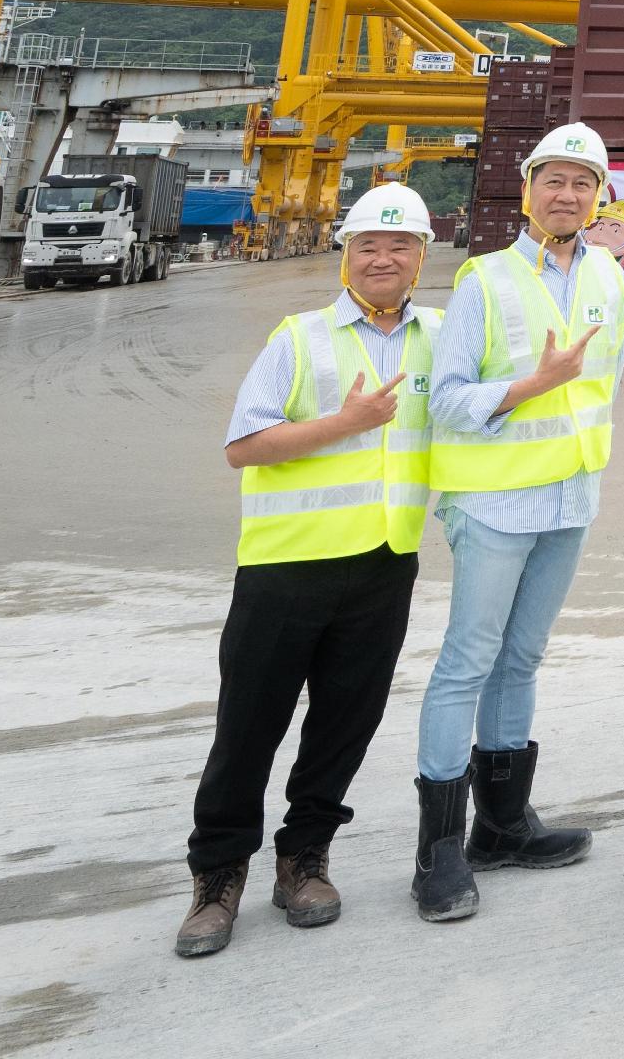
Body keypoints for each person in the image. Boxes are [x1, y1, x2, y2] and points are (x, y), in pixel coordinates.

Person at [175, 183, 440, 959]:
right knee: (248, 728)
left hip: (384, 565)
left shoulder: (440, 338)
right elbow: (242, 446)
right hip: (285, 569)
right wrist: (342, 425)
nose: (383, 258)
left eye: (398, 246)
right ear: (345, 255)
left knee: (342, 728)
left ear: (422, 257)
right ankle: (217, 878)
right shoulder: (299, 337)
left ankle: (305, 861)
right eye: (367, 246)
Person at [413, 119, 624, 920]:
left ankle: (502, 825)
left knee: (523, 660)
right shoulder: (485, 278)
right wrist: (532, 385)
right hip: (495, 503)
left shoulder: (607, 275)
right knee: (467, 662)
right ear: (528, 189)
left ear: (597, 195)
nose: (567, 194)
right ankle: (438, 849)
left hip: (570, 499)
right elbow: (447, 400)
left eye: (582, 182)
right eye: (554, 180)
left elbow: (597, 392)